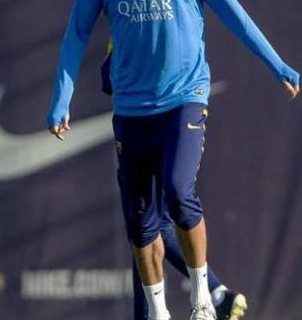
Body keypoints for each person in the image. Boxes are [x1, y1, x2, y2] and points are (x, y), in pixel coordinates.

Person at [46, 0, 298, 320]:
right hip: (130, 106)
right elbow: (75, 35)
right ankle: (159, 313)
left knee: (181, 195)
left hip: (184, 97)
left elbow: (233, 14)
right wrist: (60, 100)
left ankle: (204, 297)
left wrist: (278, 65)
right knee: (141, 224)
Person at [102, 50, 247, 320]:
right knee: (145, 222)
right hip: (144, 99)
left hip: (159, 103)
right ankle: (215, 294)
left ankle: (210, 294)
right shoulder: (123, 14)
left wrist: (280, 68)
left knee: (150, 219)